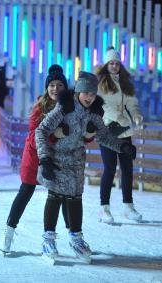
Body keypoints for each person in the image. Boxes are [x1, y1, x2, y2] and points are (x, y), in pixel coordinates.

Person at [35, 71, 136, 262]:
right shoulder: (64, 107)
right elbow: (41, 130)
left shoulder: (94, 113)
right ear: (78, 91)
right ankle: (48, 239)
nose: (89, 97)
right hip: (56, 160)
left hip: (77, 163)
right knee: (54, 198)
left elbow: (104, 136)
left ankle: (76, 239)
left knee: (75, 199)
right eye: (85, 93)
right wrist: (45, 158)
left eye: (92, 93)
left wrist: (122, 146)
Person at [0, 65, 72, 254]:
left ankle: (74, 236)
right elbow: (33, 136)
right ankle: (8, 233)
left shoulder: (70, 107)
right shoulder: (40, 106)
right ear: (47, 87)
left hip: (58, 160)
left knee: (63, 196)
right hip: (35, 158)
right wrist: (55, 133)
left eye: (59, 85)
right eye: (52, 85)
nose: (55, 89)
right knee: (25, 193)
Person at [95, 47, 144, 224]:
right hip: (107, 130)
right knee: (109, 167)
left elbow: (132, 103)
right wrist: (116, 115)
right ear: (106, 65)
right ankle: (104, 208)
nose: (114, 66)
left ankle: (128, 206)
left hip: (123, 129)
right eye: (111, 63)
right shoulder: (100, 83)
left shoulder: (125, 83)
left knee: (127, 167)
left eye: (116, 63)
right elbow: (99, 105)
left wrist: (136, 114)